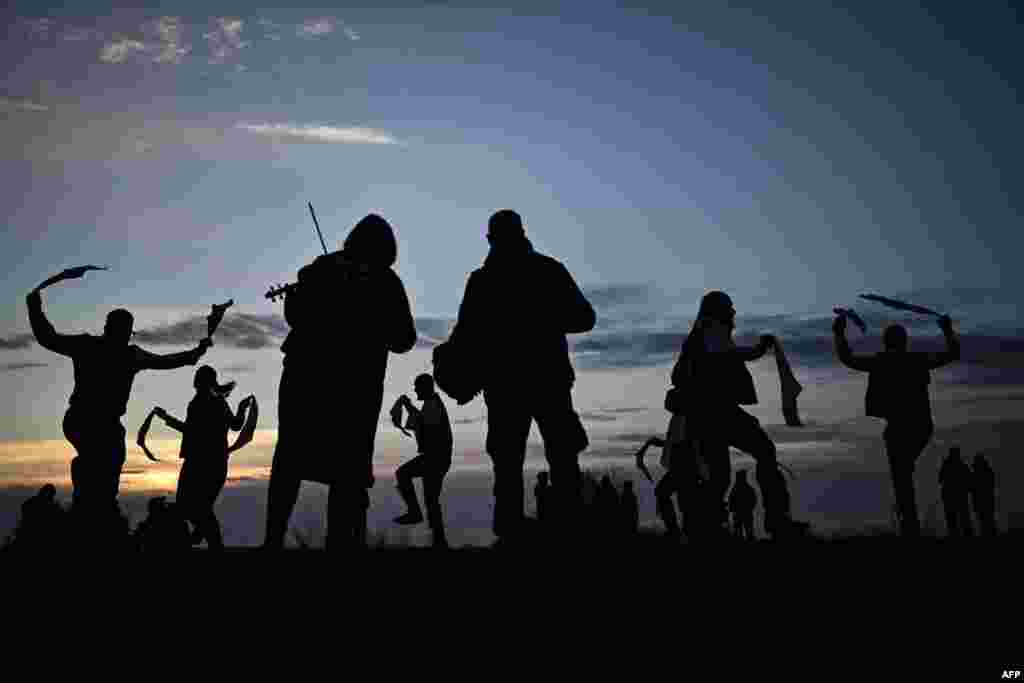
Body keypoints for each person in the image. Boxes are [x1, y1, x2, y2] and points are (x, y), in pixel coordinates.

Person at [263, 214, 417, 551]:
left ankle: (272, 540)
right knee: (348, 468)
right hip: (354, 388)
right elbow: (405, 339)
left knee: (290, 458)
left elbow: (295, 316)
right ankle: (344, 546)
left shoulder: (322, 269)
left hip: (305, 380)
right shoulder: (384, 280)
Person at [444, 210, 595, 542]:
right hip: (545, 380)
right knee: (556, 455)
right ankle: (566, 526)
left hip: (508, 385)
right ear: (522, 233)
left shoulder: (483, 281)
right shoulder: (547, 270)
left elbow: (466, 334)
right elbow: (584, 317)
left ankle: (512, 529)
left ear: (490, 239)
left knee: (510, 461)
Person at [25, 266, 211, 533]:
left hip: (97, 424)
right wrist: (35, 309)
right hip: (84, 421)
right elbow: (48, 338)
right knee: (98, 465)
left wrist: (194, 354)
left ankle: (94, 512)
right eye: (123, 331)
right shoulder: (102, 349)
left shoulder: (119, 352)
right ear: (111, 330)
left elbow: (166, 361)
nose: (124, 336)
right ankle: (90, 510)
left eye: (126, 332)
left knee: (106, 469)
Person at [671, 291, 807, 540]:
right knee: (747, 459)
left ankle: (710, 525)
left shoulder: (709, 333)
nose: (734, 313)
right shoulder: (709, 330)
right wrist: (758, 348)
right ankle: (774, 520)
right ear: (718, 310)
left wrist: (756, 349)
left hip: (713, 413)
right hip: (715, 412)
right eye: (729, 308)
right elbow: (727, 355)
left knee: (722, 473)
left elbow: (725, 355)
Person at [834, 312, 959, 537]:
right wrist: (947, 330)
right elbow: (952, 354)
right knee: (903, 475)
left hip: (901, 428)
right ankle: (908, 521)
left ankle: (909, 524)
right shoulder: (916, 360)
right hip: (921, 426)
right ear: (904, 341)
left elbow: (848, 359)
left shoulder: (881, 361)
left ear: (886, 341)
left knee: (901, 476)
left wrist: (839, 333)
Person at [154, 366, 253, 550]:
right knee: (198, 508)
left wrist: (166, 417)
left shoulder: (199, 404)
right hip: (216, 463)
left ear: (198, 382)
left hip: (199, 463)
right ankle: (204, 538)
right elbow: (236, 425)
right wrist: (241, 408)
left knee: (193, 507)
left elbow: (190, 430)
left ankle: (209, 541)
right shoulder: (219, 402)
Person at [392, 374, 454, 548]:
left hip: (435, 459)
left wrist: (408, 406)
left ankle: (415, 513)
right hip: (437, 458)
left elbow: (424, 425)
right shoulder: (432, 404)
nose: (415, 390)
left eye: (417, 387)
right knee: (431, 499)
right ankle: (439, 540)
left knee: (402, 474)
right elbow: (423, 422)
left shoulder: (433, 404)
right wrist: (409, 406)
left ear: (425, 387)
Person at [938, 447, 973, 538]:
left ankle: (955, 536)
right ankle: (966, 536)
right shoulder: (962, 465)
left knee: (952, 519)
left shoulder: (946, 465)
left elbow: (940, 479)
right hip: (960, 495)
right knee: (963, 518)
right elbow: (969, 480)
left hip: (949, 496)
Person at [971, 453, 998, 537]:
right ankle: (991, 535)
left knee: (984, 520)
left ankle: (987, 536)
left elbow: (972, 487)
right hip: (987, 499)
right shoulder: (988, 471)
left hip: (980, 500)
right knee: (988, 519)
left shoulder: (975, 473)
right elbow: (991, 484)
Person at [728, 469, 757, 541]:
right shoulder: (747, 488)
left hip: (740, 512)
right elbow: (753, 499)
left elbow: (731, 500)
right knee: (747, 529)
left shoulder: (735, 488)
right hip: (745, 512)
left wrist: (732, 509)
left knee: (741, 530)